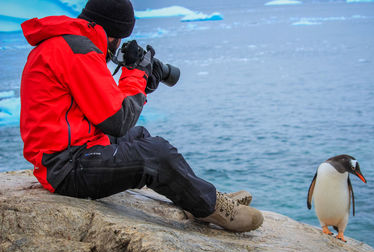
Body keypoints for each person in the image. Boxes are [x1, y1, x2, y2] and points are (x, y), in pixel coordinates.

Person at [20, 0, 263, 232]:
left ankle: (197, 197)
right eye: (119, 40)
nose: (117, 47)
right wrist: (136, 74)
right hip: (67, 168)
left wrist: (141, 84)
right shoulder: (77, 51)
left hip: (71, 153)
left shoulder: (66, 44)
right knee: (155, 153)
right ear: (112, 34)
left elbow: (102, 108)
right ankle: (210, 209)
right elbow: (117, 121)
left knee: (140, 137)